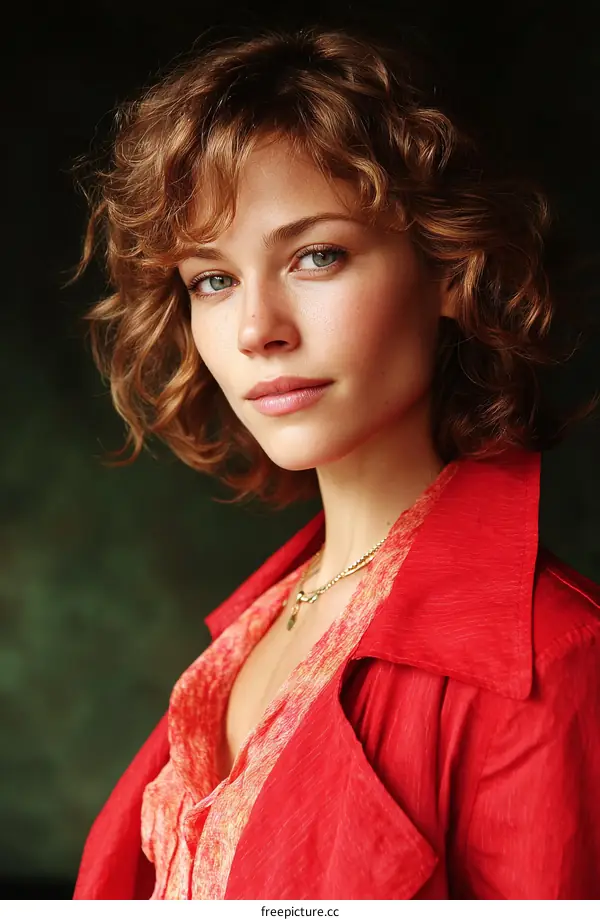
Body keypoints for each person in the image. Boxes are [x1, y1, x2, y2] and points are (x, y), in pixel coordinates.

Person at [71, 22, 600, 900]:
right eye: (213, 279)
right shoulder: (251, 631)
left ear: (449, 270)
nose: (255, 330)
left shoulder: (558, 662)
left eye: (317, 255)